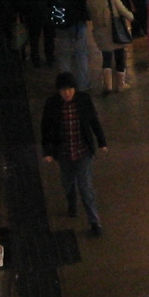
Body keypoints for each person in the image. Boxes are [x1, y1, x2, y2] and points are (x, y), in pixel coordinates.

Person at [40, 72, 106, 237]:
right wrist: (47, 151)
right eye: (64, 90)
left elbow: (94, 121)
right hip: (64, 153)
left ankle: (94, 222)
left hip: (83, 151)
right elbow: (46, 129)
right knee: (68, 182)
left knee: (85, 186)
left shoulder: (84, 100)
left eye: (70, 89)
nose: (67, 93)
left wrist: (101, 141)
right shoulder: (52, 104)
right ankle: (72, 202)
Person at [52, 0, 93, 91]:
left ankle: (65, 86)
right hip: (77, 25)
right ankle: (82, 85)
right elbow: (85, 6)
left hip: (60, 24)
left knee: (64, 56)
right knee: (81, 55)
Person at [87, 0, 135, 93]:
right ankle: (120, 84)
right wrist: (131, 17)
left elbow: (89, 16)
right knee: (120, 57)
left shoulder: (89, 0)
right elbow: (121, 9)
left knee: (106, 58)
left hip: (100, 33)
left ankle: (108, 86)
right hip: (114, 32)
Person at [19, 0, 55, 67]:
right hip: (46, 13)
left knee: (34, 39)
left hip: (32, 15)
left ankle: (35, 59)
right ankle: (49, 58)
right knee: (48, 38)